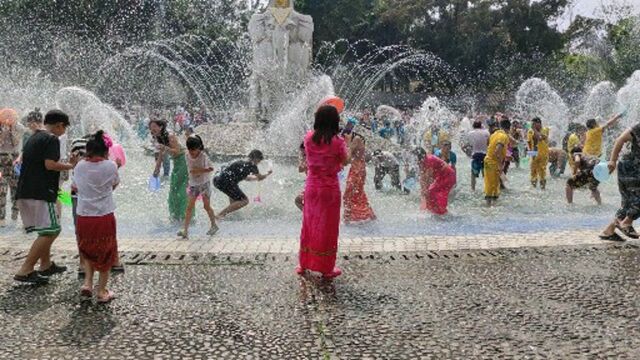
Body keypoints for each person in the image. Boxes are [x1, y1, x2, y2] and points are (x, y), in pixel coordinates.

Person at [13, 110, 76, 284]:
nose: (63, 132)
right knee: (52, 230)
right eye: (64, 128)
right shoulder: (51, 139)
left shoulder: (34, 136)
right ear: (59, 125)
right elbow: (50, 165)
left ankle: (45, 265)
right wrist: (71, 165)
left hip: (27, 191)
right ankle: (25, 269)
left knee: (44, 229)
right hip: (41, 192)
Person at [297, 105, 350, 278]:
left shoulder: (308, 138)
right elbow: (346, 160)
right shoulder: (338, 142)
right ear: (335, 121)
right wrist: (347, 143)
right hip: (329, 190)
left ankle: (304, 264)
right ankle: (326, 268)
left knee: (309, 225)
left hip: (311, 187)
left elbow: (307, 156)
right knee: (328, 228)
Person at [72, 131, 119, 303]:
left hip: (84, 216)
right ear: (105, 151)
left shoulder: (79, 166)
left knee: (88, 250)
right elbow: (114, 184)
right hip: (103, 216)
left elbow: (75, 188)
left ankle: (87, 284)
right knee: (106, 251)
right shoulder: (110, 166)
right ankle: (102, 291)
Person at [599, 122, 640, 241]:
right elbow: (620, 139)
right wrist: (612, 161)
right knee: (635, 199)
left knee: (627, 202)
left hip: (630, 167)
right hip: (631, 167)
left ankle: (609, 231)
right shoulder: (638, 127)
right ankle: (627, 223)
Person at [149, 119, 190, 222]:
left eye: (154, 126)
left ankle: (184, 215)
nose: (151, 129)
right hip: (177, 163)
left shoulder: (170, 136)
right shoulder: (158, 138)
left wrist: (164, 147)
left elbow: (177, 151)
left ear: (160, 127)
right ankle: (176, 215)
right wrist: (156, 169)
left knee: (180, 190)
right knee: (174, 189)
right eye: (150, 127)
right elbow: (160, 154)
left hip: (184, 162)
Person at [177, 135, 218, 239]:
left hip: (204, 184)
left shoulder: (203, 156)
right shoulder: (187, 155)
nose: (192, 153)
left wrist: (198, 171)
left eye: (194, 150)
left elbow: (211, 168)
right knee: (189, 207)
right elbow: (189, 169)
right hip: (194, 184)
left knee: (206, 206)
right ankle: (185, 230)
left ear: (199, 148)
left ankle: (214, 225)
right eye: (190, 150)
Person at [213, 150, 271, 219]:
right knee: (244, 200)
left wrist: (256, 179)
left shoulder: (240, 162)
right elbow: (260, 178)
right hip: (226, 181)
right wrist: (268, 173)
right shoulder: (252, 165)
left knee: (235, 199)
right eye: (259, 161)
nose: (258, 163)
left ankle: (230, 216)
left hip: (217, 180)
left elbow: (247, 179)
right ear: (256, 159)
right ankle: (219, 215)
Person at [343, 125, 376, 224]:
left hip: (357, 170)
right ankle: (369, 215)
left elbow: (347, 159)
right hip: (358, 169)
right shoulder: (358, 139)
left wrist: (348, 143)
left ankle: (348, 218)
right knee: (358, 193)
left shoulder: (356, 139)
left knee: (348, 194)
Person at [0, 108, 24, 225]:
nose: (7, 118)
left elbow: (16, 142)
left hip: (15, 160)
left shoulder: (19, 127)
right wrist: (3, 132)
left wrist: (11, 129)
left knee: (16, 190)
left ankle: (15, 215)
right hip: (1, 159)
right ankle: (1, 217)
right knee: (1, 189)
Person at [415, 147, 456, 215]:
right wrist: (422, 189)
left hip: (448, 176)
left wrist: (424, 190)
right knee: (429, 191)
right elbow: (422, 177)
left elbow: (428, 178)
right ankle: (431, 209)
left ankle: (440, 211)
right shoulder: (423, 161)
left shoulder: (429, 160)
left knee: (431, 191)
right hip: (441, 177)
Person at [484, 119, 510, 206]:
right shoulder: (503, 136)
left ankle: (493, 205)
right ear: (508, 129)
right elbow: (497, 151)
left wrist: (505, 156)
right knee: (491, 185)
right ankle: (488, 206)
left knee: (494, 184)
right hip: (492, 162)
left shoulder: (494, 134)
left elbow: (490, 147)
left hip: (490, 161)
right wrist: (500, 165)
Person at [527, 117, 550, 189]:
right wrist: (530, 154)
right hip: (534, 154)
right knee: (533, 173)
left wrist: (534, 129)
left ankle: (543, 189)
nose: (532, 125)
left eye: (534, 124)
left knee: (542, 173)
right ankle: (534, 189)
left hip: (543, 155)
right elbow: (529, 143)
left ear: (539, 123)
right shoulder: (530, 131)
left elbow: (540, 137)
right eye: (532, 124)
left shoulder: (545, 129)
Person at [468, 120, 490, 191]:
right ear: (481, 126)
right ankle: (486, 189)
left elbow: (469, 145)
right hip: (485, 155)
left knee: (473, 174)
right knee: (486, 175)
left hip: (475, 155)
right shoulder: (486, 132)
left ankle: (472, 189)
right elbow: (488, 143)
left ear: (473, 126)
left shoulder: (470, 133)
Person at [295, 142, 307, 211]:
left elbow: (301, 169)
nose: (302, 154)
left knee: (298, 200)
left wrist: (301, 158)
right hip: (312, 184)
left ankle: (310, 215)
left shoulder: (309, 158)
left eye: (303, 153)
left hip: (314, 185)